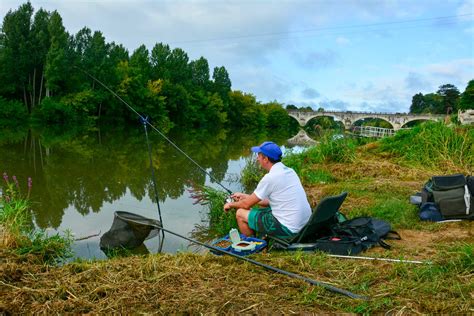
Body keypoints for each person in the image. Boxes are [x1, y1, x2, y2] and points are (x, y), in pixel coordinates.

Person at [224, 141, 311, 239]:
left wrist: (230, 204)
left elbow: (246, 205)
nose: (257, 158)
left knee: (240, 213)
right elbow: (269, 202)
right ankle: (261, 238)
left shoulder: (270, 178)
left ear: (265, 159)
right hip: (304, 225)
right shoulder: (289, 171)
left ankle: (252, 245)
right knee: (260, 210)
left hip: (289, 229)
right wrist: (246, 196)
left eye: (259, 156)